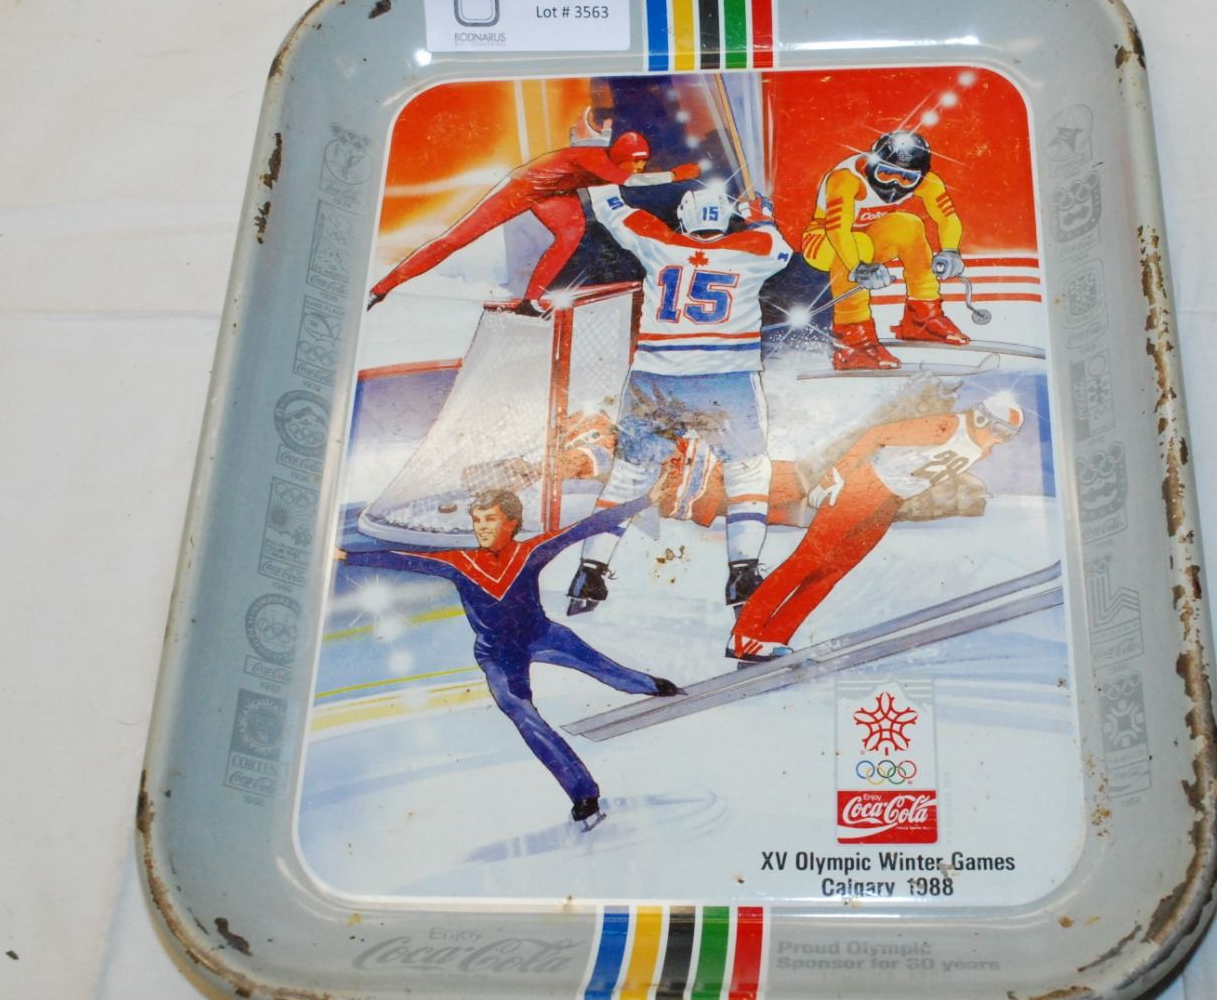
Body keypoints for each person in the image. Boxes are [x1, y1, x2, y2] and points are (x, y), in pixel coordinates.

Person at [338, 488, 679, 830]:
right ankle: (583, 795)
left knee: (604, 668)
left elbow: (586, 527)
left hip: (542, 634)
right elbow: (402, 559)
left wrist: (646, 500)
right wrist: (345, 556)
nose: (481, 527)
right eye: (477, 520)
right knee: (523, 715)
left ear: (512, 522)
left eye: (490, 519)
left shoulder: (530, 551)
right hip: (498, 655)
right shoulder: (460, 562)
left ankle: (650, 686)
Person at [563, 185, 794, 617]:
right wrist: (760, 215)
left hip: (655, 378)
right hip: (724, 380)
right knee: (746, 471)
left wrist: (604, 173)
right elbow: (780, 249)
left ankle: (589, 572)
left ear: (684, 217)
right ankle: (743, 575)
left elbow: (610, 207)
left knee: (629, 477)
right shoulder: (754, 247)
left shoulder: (659, 242)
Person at [728, 395, 1023, 660]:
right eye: (999, 430)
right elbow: (877, 435)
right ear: (981, 418)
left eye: (1008, 435)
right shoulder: (945, 426)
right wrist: (835, 475)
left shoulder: (981, 450)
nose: (1000, 440)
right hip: (865, 488)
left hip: (889, 503)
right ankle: (743, 636)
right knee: (806, 561)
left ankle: (774, 637)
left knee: (831, 573)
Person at [366, 133, 702, 314]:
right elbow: (630, 182)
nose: (640, 167)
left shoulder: (609, 168)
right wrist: (675, 175)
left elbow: (616, 195)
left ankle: (530, 301)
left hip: (554, 194)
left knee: (572, 232)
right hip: (519, 188)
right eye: (636, 161)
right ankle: (380, 289)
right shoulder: (596, 159)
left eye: (644, 163)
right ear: (620, 157)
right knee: (454, 240)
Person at [799, 130, 970, 370]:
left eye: (906, 179)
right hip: (823, 241)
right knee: (859, 243)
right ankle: (852, 340)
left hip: (869, 241)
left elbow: (947, 218)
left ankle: (922, 317)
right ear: (872, 164)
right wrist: (857, 267)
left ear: (920, 176)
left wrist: (950, 250)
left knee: (909, 225)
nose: (894, 185)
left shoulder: (928, 182)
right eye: (886, 173)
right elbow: (838, 230)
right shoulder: (847, 179)